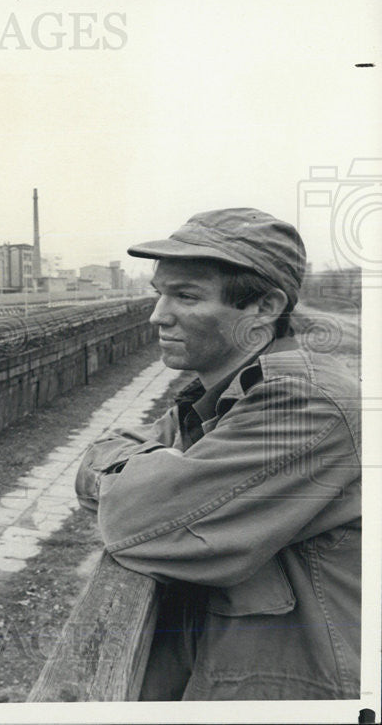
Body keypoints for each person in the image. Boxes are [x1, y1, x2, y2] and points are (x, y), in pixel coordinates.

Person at [75, 208, 361, 700]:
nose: (157, 315)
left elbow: (133, 521)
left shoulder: (304, 402)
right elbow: (108, 455)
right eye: (159, 293)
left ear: (264, 307)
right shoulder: (226, 394)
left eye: (186, 296)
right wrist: (126, 474)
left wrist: (123, 477)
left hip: (296, 692)